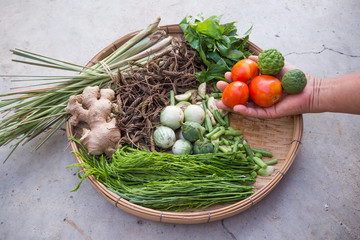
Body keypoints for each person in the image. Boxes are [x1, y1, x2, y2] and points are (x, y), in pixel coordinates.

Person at [216, 55, 360, 118]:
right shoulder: (251, 79)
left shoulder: (251, 79)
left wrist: (315, 93)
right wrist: (314, 93)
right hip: (267, 91)